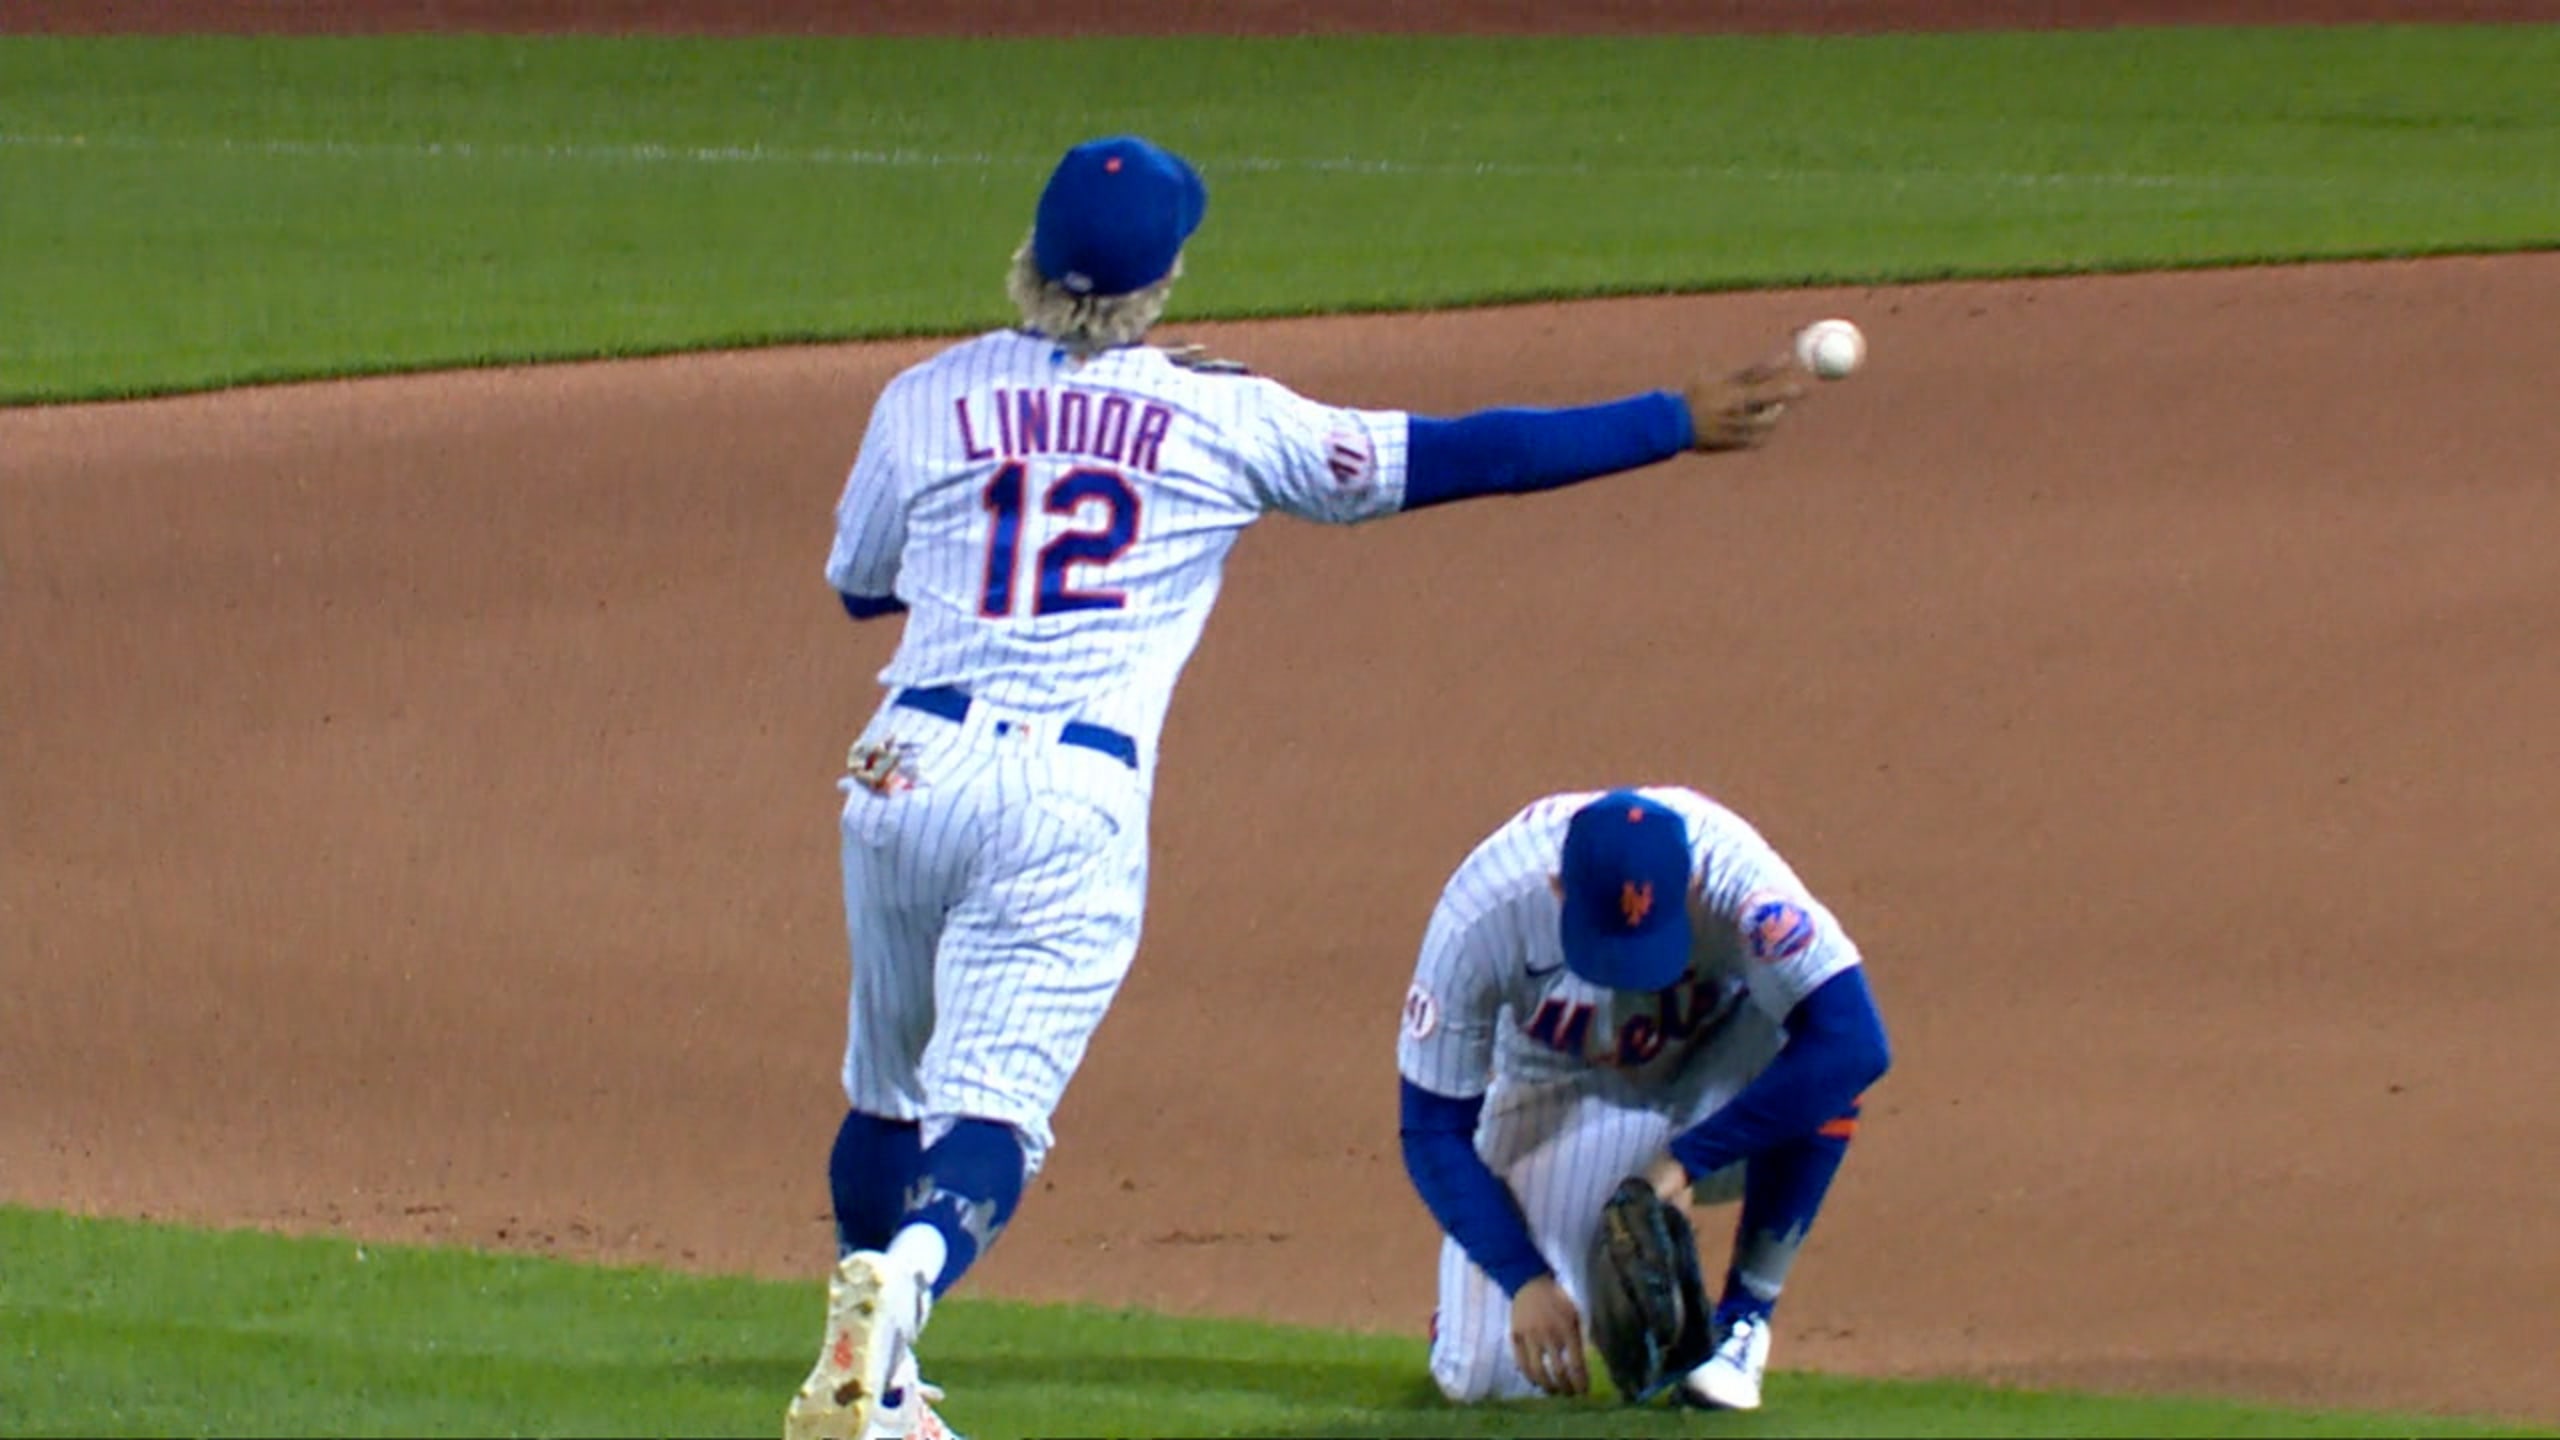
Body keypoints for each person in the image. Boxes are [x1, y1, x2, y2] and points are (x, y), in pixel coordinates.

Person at [784, 134, 1816, 1440]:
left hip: (899, 766)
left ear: (1033, 263)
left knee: (887, 1088)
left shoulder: (922, 398)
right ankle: (907, 1296)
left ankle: (874, 1364)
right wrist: (1672, 420)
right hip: (1062, 798)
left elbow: (859, 584)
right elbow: (1462, 454)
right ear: (1163, 280)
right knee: (989, 1114)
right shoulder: (1224, 415)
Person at [1397, 786, 1892, 1411]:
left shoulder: (1739, 884)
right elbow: (1431, 1128)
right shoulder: (1483, 913)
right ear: (1557, 890)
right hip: (1560, 1090)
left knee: (1820, 1064)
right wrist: (1520, 1274)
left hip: (1713, 1072)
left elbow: (1855, 1043)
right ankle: (1474, 1307)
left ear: (1690, 887)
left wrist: (1686, 1161)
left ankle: (1742, 1323)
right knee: (1485, 1376)